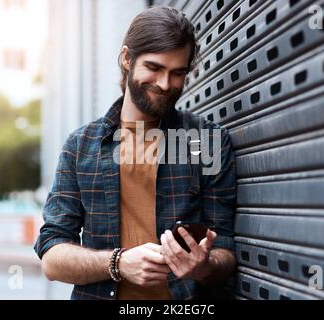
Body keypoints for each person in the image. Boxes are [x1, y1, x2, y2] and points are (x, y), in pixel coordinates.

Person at [34, 6, 237, 300]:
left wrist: (202, 266)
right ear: (127, 59)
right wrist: (118, 263)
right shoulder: (80, 146)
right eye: (154, 68)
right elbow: (52, 258)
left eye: (177, 73)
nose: (166, 84)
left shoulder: (208, 141)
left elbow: (225, 253)